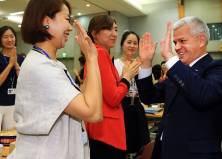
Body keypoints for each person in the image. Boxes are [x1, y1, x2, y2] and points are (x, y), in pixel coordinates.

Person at [7, 0, 102, 159]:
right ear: (46, 21)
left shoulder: (54, 64)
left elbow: (79, 98)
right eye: (66, 19)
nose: (71, 27)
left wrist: (90, 59)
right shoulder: (41, 67)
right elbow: (93, 113)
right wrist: (92, 59)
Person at [136, 16, 222, 159]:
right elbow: (148, 96)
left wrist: (170, 58)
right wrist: (145, 64)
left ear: (201, 40)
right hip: (165, 150)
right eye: (175, 42)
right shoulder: (179, 72)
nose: (176, 47)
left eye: (182, 41)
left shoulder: (215, 67)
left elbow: (203, 94)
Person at [84, 14, 141, 159]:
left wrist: (123, 76)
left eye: (115, 29)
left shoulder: (98, 54)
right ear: (95, 33)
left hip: (100, 129)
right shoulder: (100, 54)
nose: (114, 34)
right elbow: (114, 98)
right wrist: (126, 78)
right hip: (106, 131)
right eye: (109, 29)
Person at [114, 30, 150, 158]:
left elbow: (145, 88)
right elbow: (113, 87)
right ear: (122, 44)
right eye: (128, 42)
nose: (132, 46)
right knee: (123, 145)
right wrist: (126, 74)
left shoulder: (140, 64)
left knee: (141, 145)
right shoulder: (115, 64)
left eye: (135, 43)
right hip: (122, 107)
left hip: (138, 107)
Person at [0, 26, 24, 131]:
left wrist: (16, 65)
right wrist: (9, 65)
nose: (9, 40)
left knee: (9, 138)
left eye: (12, 36)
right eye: (5, 37)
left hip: (13, 104)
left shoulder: (20, 58)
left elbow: (24, 82)